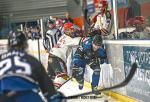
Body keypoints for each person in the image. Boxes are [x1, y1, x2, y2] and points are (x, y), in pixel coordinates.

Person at [0, 31, 64, 102]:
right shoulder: (30, 59)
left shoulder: (1, 59)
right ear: (25, 44)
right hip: (28, 96)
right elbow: (47, 87)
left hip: (4, 96)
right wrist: (54, 97)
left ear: (9, 45)